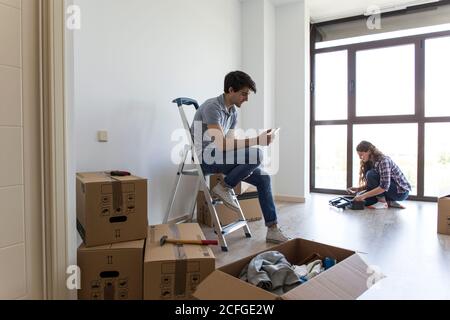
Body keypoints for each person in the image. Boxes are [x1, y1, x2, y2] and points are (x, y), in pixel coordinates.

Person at [191, 70, 290, 244]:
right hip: (206, 158)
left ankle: (272, 229)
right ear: (231, 90)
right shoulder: (212, 107)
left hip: (221, 157)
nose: (246, 98)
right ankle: (224, 187)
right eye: (244, 94)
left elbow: (230, 143)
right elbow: (222, 144)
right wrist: (257, 140)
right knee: (257, 154)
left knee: (264, 178)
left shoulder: (233, 113)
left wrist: (256, 140)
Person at [348, 141, 411, 209]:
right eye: (359, 155)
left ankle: (382, 202)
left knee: (370, 174)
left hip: (400, 192)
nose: (360, 157)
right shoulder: (370, 162)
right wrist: (358, 189)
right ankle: (389, 202)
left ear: (369, 151)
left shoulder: (383, 161)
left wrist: (363, 196)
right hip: (387, 190)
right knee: (363, 199)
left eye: (361, 154)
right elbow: (373, 184)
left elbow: (384, 186)